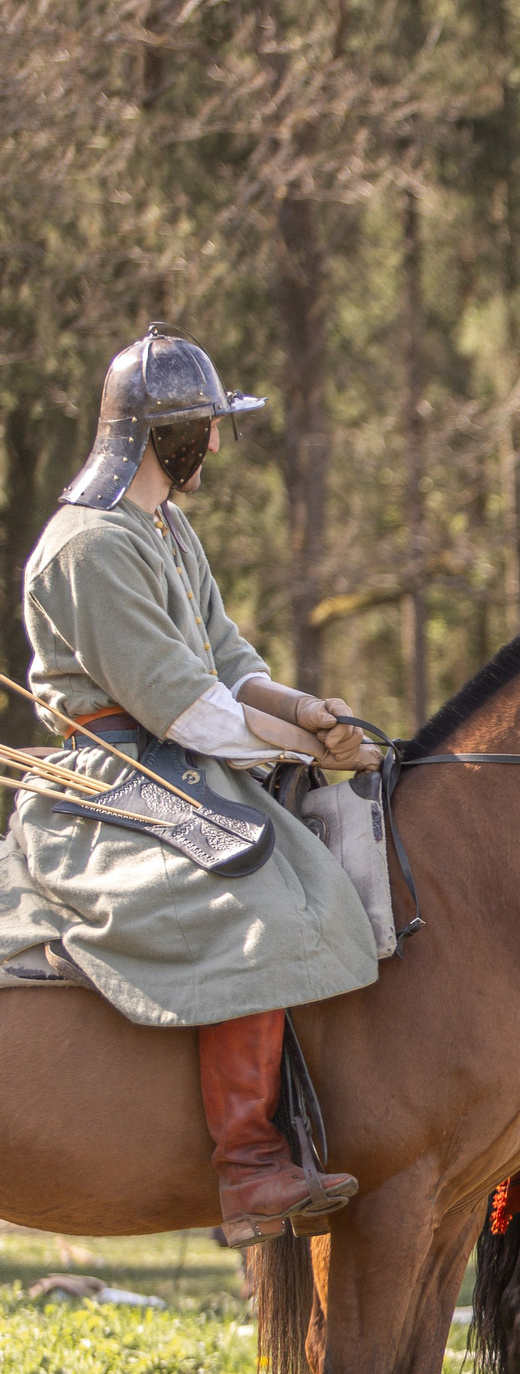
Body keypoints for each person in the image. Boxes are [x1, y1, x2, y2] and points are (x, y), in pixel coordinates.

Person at [0, 327, 380, 1247]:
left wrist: (313, 710)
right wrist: (301, 741)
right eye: (205, 427)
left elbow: (230, 663)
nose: (214, 442)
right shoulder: (85, 544)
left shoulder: (165, 527)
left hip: (181, 768)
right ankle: (249, 1164)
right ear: (160, 432)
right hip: (113, 783)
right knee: (258, 907)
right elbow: (183, 706)